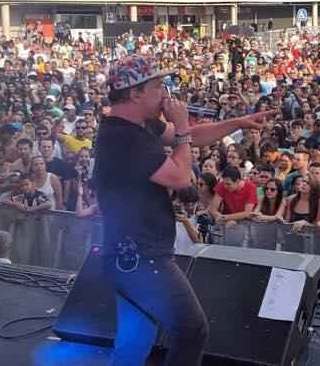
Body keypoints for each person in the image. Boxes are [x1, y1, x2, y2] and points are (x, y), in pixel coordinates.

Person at [93, 54, 272, 366]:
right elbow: (178, 176)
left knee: (137, 336)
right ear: (135, 93)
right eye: (158, 85)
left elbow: (191, 137)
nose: (166, 92)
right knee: (191, 329)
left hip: (132, 253)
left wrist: (237, 123)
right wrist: (183, 127)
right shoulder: (122, 136)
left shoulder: (138, 125)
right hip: (138, 256)